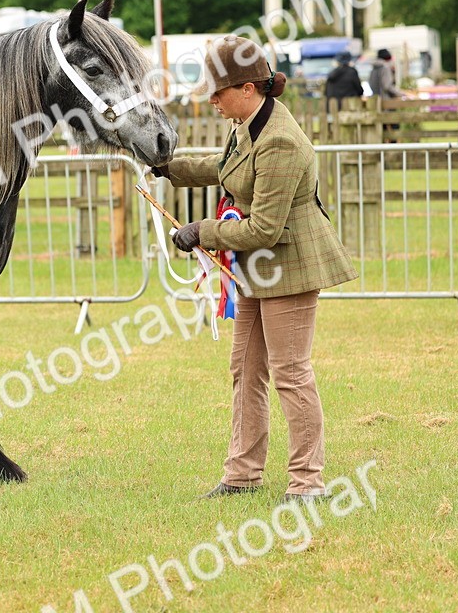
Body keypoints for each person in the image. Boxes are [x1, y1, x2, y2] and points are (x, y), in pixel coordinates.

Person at [153, 35, 358, 503]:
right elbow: (223, 168)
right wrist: (167, 167)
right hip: (257, 270)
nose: (212, 100)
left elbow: (264, 228)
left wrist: (201, 231)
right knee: (245, 369)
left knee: (291, 372)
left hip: (290, 265)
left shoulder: (280, 140)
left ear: (247, 88)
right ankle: (242, 475)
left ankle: (308, 483)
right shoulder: (247, 122)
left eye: (219, 91)